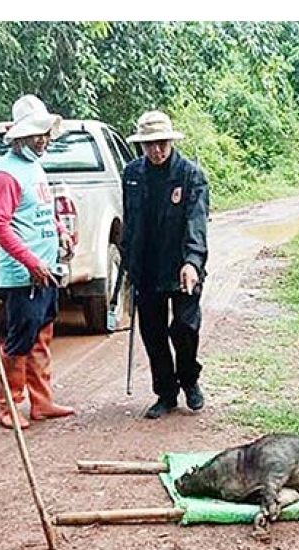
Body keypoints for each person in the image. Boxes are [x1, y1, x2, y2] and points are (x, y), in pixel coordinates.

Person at [0, 94, 76, 430]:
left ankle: (42, 402)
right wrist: (30, 262)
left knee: (42, 335)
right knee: (19, 342)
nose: (44, 140)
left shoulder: (34, 167)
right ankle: (7, 405)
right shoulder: (5, 175)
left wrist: (59, 232)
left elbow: (39, 210)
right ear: (20, 135)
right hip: (23, 276)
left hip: (45, 271)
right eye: (37, 134)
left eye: (45, 133)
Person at [122, 110, 210, 419]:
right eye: (149, 145)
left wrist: (193, 262)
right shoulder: (132, 174)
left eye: (161, 143)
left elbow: (196, 222)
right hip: (146, 267)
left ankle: (190, 380)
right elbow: (129, 223)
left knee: (185, 328)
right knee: (153, 333)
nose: (156, 150)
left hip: (182, 266)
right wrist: (127, 266)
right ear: (141, 146)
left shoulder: (190, 175)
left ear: (170, 141)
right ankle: (166, 393)